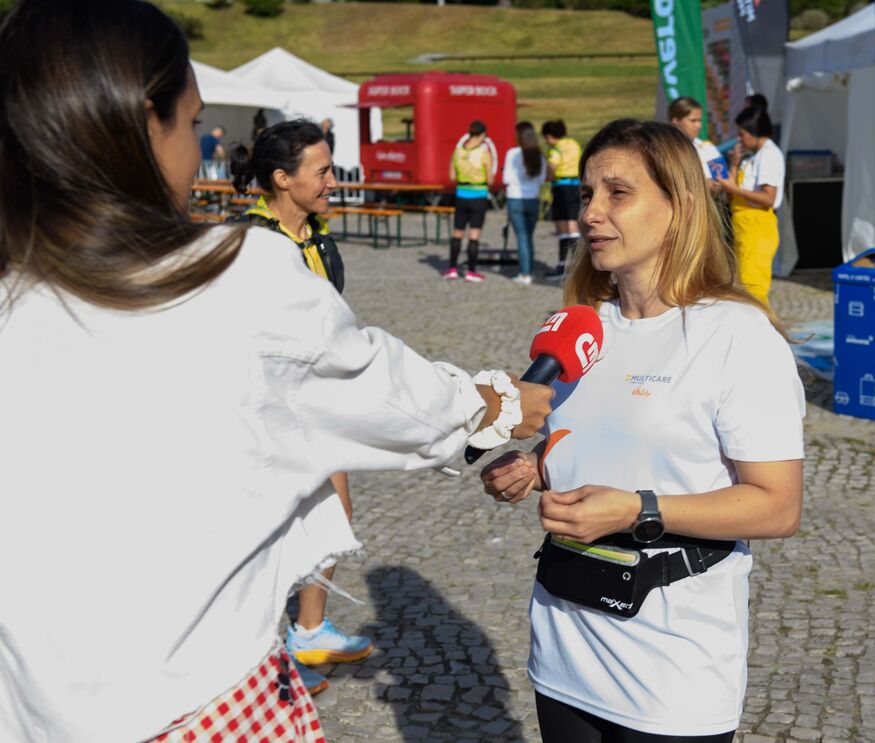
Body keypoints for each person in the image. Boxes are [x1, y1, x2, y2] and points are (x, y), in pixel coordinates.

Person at [0, 2, 553, 741]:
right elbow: (390, 395)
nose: (196, 151)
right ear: (141, 125)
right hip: (194, 706)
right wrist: (498, 401)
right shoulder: (236, 274)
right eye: (191, 123)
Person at [480, 119, 804, 742]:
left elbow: (778, 506)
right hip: (564, 651)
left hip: (671, 671)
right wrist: (536, 466)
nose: (591, 214)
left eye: (618, 193)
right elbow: (600, 438)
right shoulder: (581, 326)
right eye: (586, 194)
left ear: (679, 205)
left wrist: (637, 510)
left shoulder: (736, 335)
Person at [229, 119, 363, 697]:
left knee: (334, 513)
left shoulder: (318, 235)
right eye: (323, 171)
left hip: (317, 402)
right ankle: (255, 656)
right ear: (282, 179)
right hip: (265, 411)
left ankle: (309, 629)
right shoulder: (249, 242)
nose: (334, 181)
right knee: (267, 531)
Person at [716, 106, 785, 307]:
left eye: (742, 134)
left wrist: (734, 188)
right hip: (744, 227)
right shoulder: (754, 155)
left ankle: (762, 325)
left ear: (755, 132)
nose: (739, 139)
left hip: (757, 227)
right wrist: (734, 164)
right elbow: (732, 195)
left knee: (753, 290)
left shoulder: (769, 155)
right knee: (743, 287)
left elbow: (768, 198)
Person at [444, 120, 494, 282]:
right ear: (482, 135)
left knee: (457, 233)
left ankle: (452, 268)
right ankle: (471, 271)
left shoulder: (458, 151)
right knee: (474, 234)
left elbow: (451, 176)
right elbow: (490, 179)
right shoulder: (484, 153)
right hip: (478, 194)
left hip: (461, 194)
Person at [503, 122, 548, 286]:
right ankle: (529, 270)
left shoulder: (513, 153)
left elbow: (506, 179)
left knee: (522, 237)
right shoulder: (540, 155)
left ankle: (525, 273)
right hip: (533, 199)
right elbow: (542, 179)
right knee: (529, 237)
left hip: (515, 198)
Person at [541, 119, 582, 281]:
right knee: (574, 225)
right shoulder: (573, 144)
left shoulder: (555, 149)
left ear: (549, 136)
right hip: (576, 185)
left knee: (563, 227)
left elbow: (552, 167)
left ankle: (562, 265)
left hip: (561, 187)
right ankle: (578, 264)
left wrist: (547, 177)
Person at [668, 96, 729, 182]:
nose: (698, 125)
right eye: (693, 121)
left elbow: (724, 180)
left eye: (700, 121)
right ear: (676, 121)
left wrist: (716, 185)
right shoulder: (664, 149)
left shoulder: (708, 148)